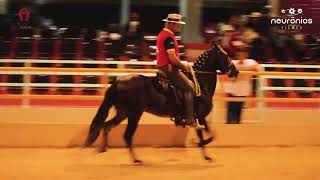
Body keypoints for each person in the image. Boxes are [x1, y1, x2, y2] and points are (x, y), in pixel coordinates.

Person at [156, 13, 196, 127]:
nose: (179, 26)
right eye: (178, 24)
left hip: (162, 67)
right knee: (190, 87)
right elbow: (172, 58)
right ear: (172, 24)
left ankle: (179, 115)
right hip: (169, 69)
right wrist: (184, 67)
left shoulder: (162, 34)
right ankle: (190, 119)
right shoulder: (169, 37)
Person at [223, 41, 259, 124]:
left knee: (239, 118)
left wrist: (238, 70)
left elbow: (256, 67)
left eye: (243, 52)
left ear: (246, 54)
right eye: (239, 51)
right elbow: (227, 76)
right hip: (232, 93)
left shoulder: (251, 62)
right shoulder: (232, 62)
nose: (241, 54)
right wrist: (243, 69)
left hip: (243, 93)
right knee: (230, 119)